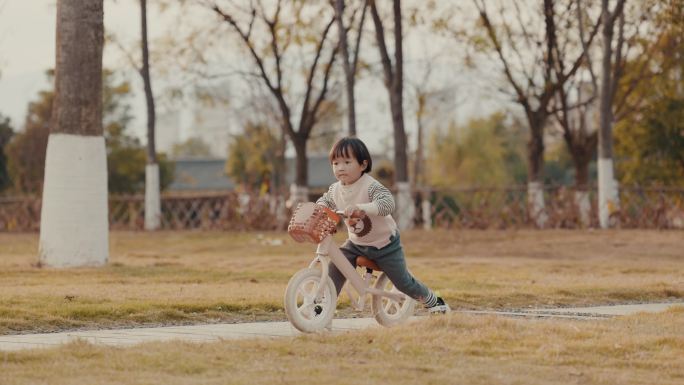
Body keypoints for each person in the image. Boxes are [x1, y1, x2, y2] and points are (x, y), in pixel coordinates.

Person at [316, 137, 450, 314]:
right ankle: (325, 304)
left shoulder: (370, 186)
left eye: (347, 162)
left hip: (385, 244)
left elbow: (388, 204)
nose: (340, 168)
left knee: (403, 282)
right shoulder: (335, 190)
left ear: (363, 165)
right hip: (357, 244)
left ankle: (433, 301)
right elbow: (324, 202)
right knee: (337, 264)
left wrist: (361, 208)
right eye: (335, 163)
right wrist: (317, 210)